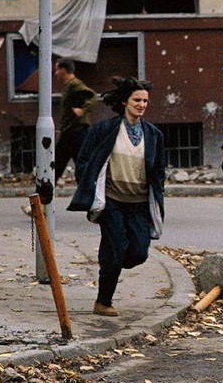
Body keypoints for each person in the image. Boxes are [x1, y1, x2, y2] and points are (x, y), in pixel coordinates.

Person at [68, 77, 165, 317]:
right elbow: (84, 161)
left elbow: (159, 171)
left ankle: (110, 258)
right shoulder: (105, 129)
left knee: (139, 252)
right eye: (136, 100)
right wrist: (89, 186)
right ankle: (103, 302)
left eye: (145, 101)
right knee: (116, 247)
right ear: (124, 101)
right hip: (111, 201)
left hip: (139, 203)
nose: (141, 104)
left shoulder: (153, 135)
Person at [53, 58, 98, 182]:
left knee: (57, 167)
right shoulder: (68, 86)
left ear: (63, 70)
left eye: (57, 70)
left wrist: (83, 110)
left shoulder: (75, 84)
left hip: (77, 133)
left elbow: (93, 96)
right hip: (70, 132)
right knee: (76, 167)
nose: (55, 73)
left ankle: (42, 198)